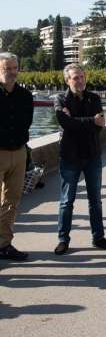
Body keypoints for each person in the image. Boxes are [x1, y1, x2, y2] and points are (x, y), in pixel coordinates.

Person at [53, 63, 106, 255]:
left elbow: (100, 126)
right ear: (67, 80)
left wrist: (76, 123)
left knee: (95, 200)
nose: (79, 80)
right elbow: (65, 123)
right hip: (70, 156)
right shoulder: (60, 99)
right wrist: (89, 121)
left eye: (81, 77)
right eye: (75, 77)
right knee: (66, 201)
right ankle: (63, 239)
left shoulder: (94, 98)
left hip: (92, 155)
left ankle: (98, 237)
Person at [0, 53, 33, 261]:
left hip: (19, 152)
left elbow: (26, 123)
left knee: (12, 201)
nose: (12, 72)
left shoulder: (25, 96)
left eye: (14, 68)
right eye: (7, 68)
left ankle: (4, 244)